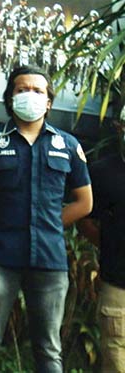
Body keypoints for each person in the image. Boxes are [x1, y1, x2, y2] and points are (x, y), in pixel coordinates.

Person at [0, 65, 92, 373]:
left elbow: (85, 202)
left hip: (49, 259)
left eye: (37, 91)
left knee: (49, 351)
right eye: (22, 89)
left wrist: (46, 225)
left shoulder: (68, 146)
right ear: (10, 98)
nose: (29, 95)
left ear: (48, 101)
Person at [77, 105, 125, 372]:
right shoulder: (101, 172)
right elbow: (84, 218)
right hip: (118, 290)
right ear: (119, 128)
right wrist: (110, 246)